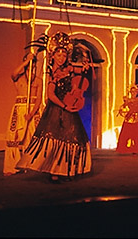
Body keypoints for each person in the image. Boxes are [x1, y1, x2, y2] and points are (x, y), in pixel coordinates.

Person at [17, 32, 91, 183]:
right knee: (55, 139)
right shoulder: (51, 73)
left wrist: (84, 67)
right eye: (59, 55)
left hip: (69, 107)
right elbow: (50, 95)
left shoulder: (69, 69)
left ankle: (67, 169)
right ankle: (53, 170)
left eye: (64, 55)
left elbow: (79, 72)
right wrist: (64, 105)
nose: (61, 58)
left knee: (71, 138)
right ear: (53, 56)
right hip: (57, 109)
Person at [3, 52, 42, 176]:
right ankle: (12, 166)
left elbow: (39, 100)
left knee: (33, 137)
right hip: (19, 109)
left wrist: (31, 114)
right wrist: (26, 61)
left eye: (32, 63)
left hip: (32, 111)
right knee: (13, 137)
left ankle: (31, 165)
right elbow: (13, 74)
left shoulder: (38, 80)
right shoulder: (19, 78)